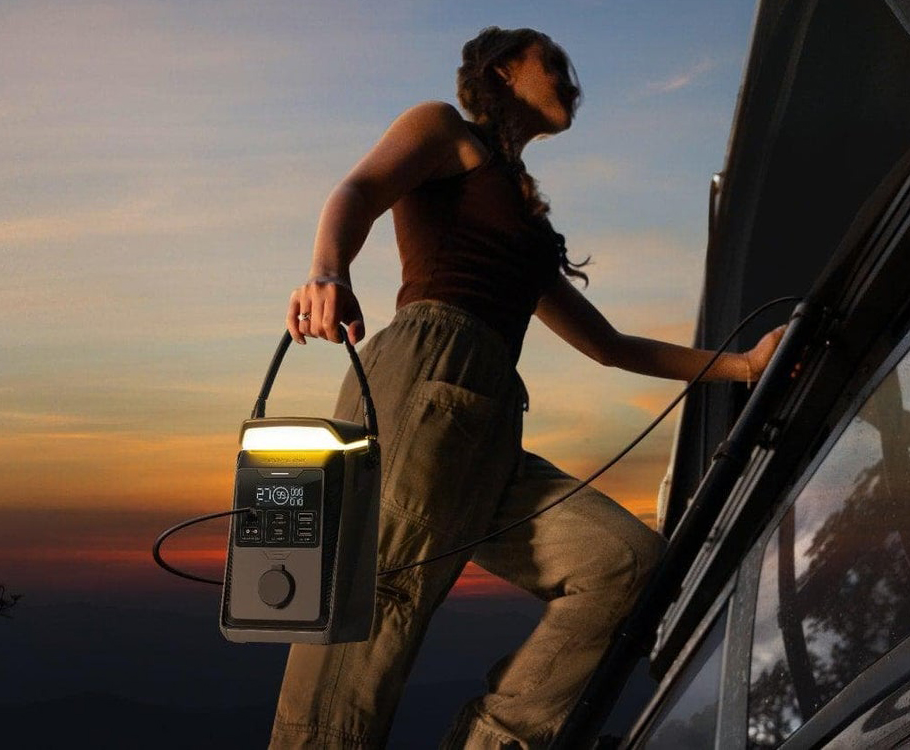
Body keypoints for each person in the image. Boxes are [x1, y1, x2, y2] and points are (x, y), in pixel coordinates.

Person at [271, 26, 785, 750]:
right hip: (424, 383)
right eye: (553, 62)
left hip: (486, 425)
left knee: (625, 565)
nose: (571, 76)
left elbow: (606, 346)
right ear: (504, 69)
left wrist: (744, 367)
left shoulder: (520, 211)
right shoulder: (445, 132)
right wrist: (329, 271)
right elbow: (358, 188)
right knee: (364, 626)